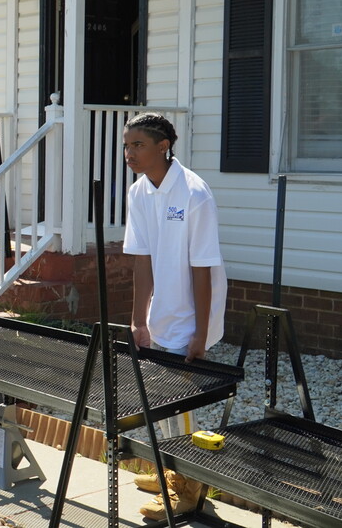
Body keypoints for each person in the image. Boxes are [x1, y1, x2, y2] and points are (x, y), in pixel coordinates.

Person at [122, 112, 227, 521]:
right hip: (159, 311)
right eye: (127, 146)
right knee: (159, 398)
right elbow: (142, 262)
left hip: (190, 315)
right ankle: (172, 469)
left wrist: (200, 332)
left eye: (138, 145)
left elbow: (203, 269)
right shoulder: (138, 192)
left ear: (163, 146)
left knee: (177, 400)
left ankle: (188, 490)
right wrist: (137, 319)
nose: (129, 153)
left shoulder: (195, 194)